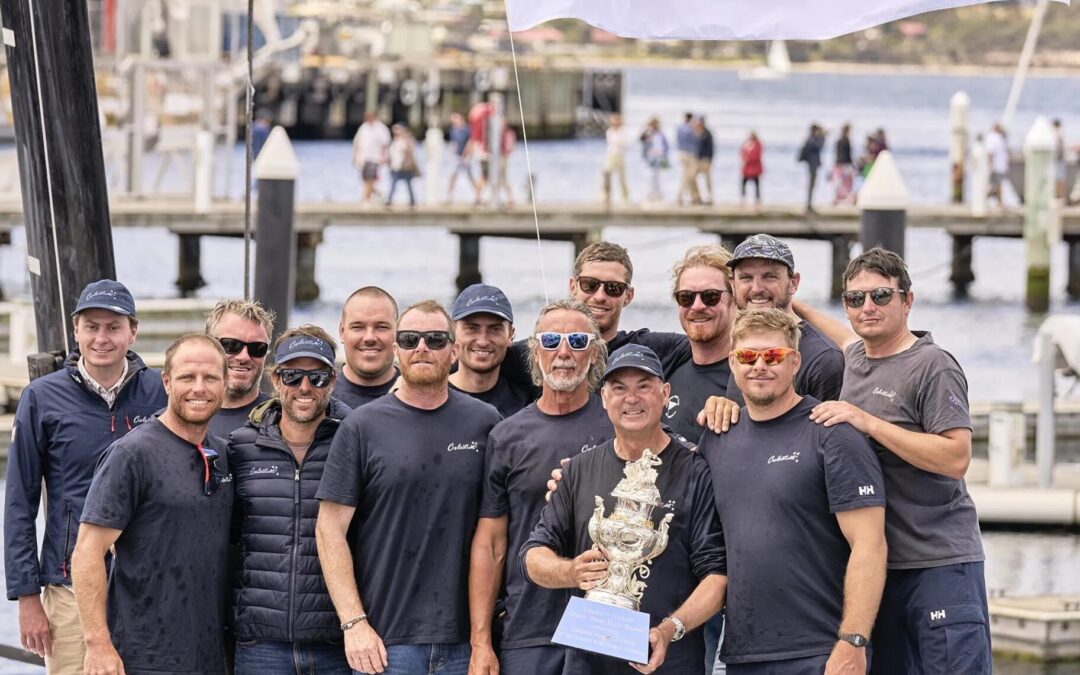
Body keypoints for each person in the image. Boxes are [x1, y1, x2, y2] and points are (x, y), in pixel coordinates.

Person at [794, 247, 991, 674]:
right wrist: (794, 306)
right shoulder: (859, 356)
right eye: (855, 299)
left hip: (938, 563)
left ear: (908, 301)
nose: (868, 307)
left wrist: (868, 422)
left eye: (881, 296)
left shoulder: (931, 366)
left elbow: (957, 457)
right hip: (880, 570)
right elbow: (841, 336)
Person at [316, 300, 503, 675]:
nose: (422, 347)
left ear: (454, 350)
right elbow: (328, 530)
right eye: (410, 338)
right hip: (384, 644)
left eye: (435, 339)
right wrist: (354, 624)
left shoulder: (485, 422)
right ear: (397, 349)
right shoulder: (361, 427)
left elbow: (496, 536)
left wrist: (482, 641)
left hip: (463, 644)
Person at [697, 308, 887, 673]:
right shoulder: (718, 437)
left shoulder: (831, 432)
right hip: (739, 653)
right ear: (733, 364)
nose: (760, 366)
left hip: (819, 651)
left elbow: (870, 544)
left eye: (774, 356)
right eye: (748, 356)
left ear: (795, 361)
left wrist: (853, 641)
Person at [523, 344, 728, 674]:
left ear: (665, 394)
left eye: (643, 387)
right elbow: (533, 555)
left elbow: (717, 576)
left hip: (669, 664)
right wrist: (570, 571)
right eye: (619, 388)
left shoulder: (696, 471)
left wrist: (669, 629)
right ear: (603, 398)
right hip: (587, 665)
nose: (631, 399)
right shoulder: (577, 469)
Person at [4, 279, 167, 672]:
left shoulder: (161, 391)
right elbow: (19, 501)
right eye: (92, 326)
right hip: (69, 588)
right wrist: (27, 595)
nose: (102, 338)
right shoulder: (41, 397)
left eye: (113, 327)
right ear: (75, 331)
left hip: (152, 586)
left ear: (133, 331)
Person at [72, 333, 232, 675]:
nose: (199, 388)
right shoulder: (131, 455)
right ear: (167, 382)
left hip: (210, 656)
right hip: (143, 656)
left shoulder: (222, 454)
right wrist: (97, 644)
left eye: (210, 378)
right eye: (187, 377)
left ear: (226, 383)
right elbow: (87, 551)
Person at [468, 299, 613, 675]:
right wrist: (482, 642)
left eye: (577, 341)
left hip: (608, 622)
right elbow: (491, 544)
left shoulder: (620, 427)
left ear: (595, 353)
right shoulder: (507, 434)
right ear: (535, 351)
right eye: (550, 340)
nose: (563, 352)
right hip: (528, 627)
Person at [229, 326, 352, 674]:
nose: (304, 387)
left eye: (317, 377)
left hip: (335, 643)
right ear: (274, 378)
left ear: (333, 380)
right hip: (260, 644)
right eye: (292, 375)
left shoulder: (354, 443)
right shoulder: (240, 446)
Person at [706, 234, 843, 422]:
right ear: (732, 284)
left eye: (770, 276)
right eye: (746, 278)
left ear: (793, 283)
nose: (756, 288)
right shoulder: (741, 343)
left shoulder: (824, 360)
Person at [449, 283, 535, 417]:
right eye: (471, 329)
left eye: (495, 329)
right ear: (453, 332)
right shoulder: (429, 398)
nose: (482, 341)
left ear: (510, 335)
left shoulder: (528, 404)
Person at [205, 299, 275, 439]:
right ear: (207, 345)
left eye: (257, 348)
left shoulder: (280, 420)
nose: (244, 357)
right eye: (231, 345)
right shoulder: (179, 418)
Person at [335, 286, 400, 408]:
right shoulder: (320, 400)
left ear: (398, 332)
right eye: (358, 327)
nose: (369, 338)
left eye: (381, 327)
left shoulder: (419, 398)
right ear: (342, 332)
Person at [353, 112, 391, 204]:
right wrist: (356, 156)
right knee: (365, 179)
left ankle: (366, 198)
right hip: (364, 157)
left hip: (375, 158)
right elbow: (357, 143)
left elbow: (385, 144)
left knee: (370, 178)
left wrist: (383, 157)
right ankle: (377, 193)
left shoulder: (381, 128)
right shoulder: (363, 127)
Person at [446, 112, 477, 204]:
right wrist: (451, 154)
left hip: (466, 157)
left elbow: (471, 142)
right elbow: (454, 143)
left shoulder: (467, 129)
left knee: (470, 176)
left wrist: (467, 154)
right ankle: (449, 197)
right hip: (457, 156)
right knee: (453, 176)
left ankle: (478, 195)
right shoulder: (453, 130)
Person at [386, 124, 419, 208]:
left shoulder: (406, 141)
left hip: (404, 167)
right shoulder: (394, 142)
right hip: (395, 166)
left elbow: (410, 152)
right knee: (393, 184)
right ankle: (389, 200)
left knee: (408, 184)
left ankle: (412, 201)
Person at [603, 113, 631, 206]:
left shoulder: (623, 132)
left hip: (620, 155)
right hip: (611, 155)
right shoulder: (609, 131)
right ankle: (606, 195)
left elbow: (626, 144)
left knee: (622, 177)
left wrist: (620, 144)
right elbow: (610, 144)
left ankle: (625, 196)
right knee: (607, 173)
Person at [798, 123, 825, 213]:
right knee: (811, 185)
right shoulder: (812, 139)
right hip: (812, 165)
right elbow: (819, 146)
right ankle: (809, 205)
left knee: (812, 185)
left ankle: (809, 204)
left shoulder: (811, 139)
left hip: (812, 165)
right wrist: (822, 136)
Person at [676, 112, 702, 206]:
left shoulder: (679, 128)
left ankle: (695, 197)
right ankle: (680, 196)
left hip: (681, 154)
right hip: (690, 155)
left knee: (690, 176)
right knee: (688, 177)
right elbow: (697, 140)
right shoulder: (690, 129)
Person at [641, 117, 669, 203]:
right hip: (651, 157)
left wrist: (665, 156)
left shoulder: (660, 134)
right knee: (650, 176)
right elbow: (641, 139)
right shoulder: (648, 133)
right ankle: (651, 193)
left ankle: (658, 193)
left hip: (659, 157)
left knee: (657, 176)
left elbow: (665, 146)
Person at [985, 122, 1009, 207]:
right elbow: (990, 153)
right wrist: (990, 166)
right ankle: (986, 199)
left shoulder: (999, 138)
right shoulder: (992, 138)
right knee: (994, 185)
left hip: (999, 166)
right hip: (996, 167)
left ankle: (999, 202)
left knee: (998, 184)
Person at [493, 125, 517, 207]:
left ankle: (509, 198)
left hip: (502, 157)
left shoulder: (505, 133)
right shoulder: (508, 133)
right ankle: (508, 198)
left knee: (501, 178)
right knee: (501, 178)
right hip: (502, 157)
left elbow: (510, 146)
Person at [832, 123, 855, 205]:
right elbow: (848, 154)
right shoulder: (846, 140)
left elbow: (837, 153)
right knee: (848, 182)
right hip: (846, 163)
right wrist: (852, 164)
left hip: (839, 163)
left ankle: (838, 198)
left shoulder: (839, 140)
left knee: (839, 181)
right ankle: (847, 198)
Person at [739, 132, 763, 208]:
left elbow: (757, 155)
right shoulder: (746, 144)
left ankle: (757, 199)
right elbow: (741, 153)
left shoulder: (758, 145)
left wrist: (748, 158)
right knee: (743, 183)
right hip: (747, 168)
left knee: (756, 184)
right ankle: (743, 198)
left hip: (754, 168)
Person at [694, 117, 714, 205]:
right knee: (692, 177)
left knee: (707, 179)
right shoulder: (697, 133)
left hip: (705, 160)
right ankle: (697, 196)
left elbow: (711, 148)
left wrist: (709, 159)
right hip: (698, 160)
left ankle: (709, 197)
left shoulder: (707, 134)